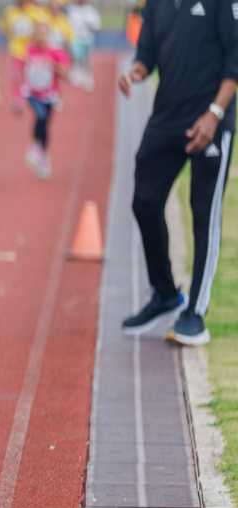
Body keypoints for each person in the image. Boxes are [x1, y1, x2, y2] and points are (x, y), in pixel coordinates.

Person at [118, 0, 237, 346]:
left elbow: (235, 61)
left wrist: (214, 114)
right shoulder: (156, 3)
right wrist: (135, 72)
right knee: (144, 201)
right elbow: (147, 55)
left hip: (210, 120)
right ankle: (165, 293)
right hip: (167, 117)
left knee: (204, 215)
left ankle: (195, 314)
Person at [23, 21, 69, 179]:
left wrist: (54, 65)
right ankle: (35, 147)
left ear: (48, 35)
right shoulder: (29, 50)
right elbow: (23, 69)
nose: (40, 36)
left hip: (50, 95)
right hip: (32, 93)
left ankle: (44, 156)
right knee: (40, 116)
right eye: (38, 33)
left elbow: (65, 74)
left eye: (44, 33)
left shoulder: (56, 52)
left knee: (45, 124)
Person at [3, 0, 48, 113]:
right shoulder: (11, 12)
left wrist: (37, 38)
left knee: (31, 76)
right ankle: (18, 101)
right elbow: (7, 30)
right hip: (16, 50)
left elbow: (43, 29)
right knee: (17, 76)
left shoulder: (37, 12)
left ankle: (36, 97)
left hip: (32, 51)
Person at [66, 0, 101, 91]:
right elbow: (67, 24)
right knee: (76, 57)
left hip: (87, 39)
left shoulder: (91, 11)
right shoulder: (72, 10)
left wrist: (89, 25)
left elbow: (97, 26)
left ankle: (88, 78)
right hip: (75, 38)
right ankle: (77, 75)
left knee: (86, 59)